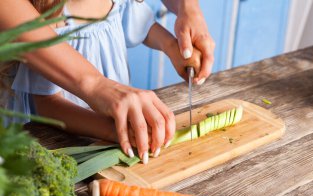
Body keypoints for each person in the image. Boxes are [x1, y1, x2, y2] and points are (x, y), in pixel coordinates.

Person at [0, 0, 215, 164]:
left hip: (109, 137)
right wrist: (116, 131)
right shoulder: (51, 14)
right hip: (67, 145)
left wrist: (172, 46)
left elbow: (137, 21)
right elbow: (47, 107)